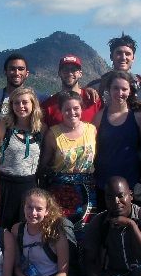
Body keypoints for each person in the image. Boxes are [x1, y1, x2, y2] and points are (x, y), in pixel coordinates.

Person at [40, 91, 98, 229]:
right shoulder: (53, 134)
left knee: (86, 232)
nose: (72, 112)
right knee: (61, 231)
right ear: (60, 111)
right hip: (60, 192)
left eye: (76, 108)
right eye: (67, 109)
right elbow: (44, 164)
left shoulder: (92, 130)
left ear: (81, 109)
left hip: (88, 191)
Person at [0, 86, 45, 230]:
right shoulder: (3, 127)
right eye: (16, 103)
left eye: (25, 102)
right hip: (5, 187)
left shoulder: (41, 129)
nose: (20, 106)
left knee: (25, 231)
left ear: (33, 104)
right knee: (3, 230)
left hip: (29, 186)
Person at [93, 71, 141, 197]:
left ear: (130, 91)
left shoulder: (139, 116)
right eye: (115, 88)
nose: (120, 93)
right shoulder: (99, 117)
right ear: (109, 89)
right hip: (103, 182)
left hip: (131, 182)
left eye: (124, 89)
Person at [87, 34, 141, 109]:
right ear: (111, 56)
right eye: (119, 53)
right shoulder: (96, 87)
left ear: (133, 58)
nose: (123, 57)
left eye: (128, 54)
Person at [41, 55, 103, 127]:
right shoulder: (47, 106)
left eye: (73, 70)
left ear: (80, 74)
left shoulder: (94, 100)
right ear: (59, 73)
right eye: (65, 70)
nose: (69, 73)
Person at [0, 53, 30, 126]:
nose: (16, 73)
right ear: (5, 72)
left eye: (21, 69)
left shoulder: (38, 99)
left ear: (27, 73)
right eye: (12, 69)